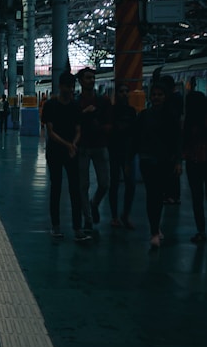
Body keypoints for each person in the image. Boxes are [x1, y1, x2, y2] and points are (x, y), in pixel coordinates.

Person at [41, 71, 91, 242]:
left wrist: (74, 144)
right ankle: (56, 226)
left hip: (71, 151)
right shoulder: (50, 105)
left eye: (72, 86)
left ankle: (78, 228)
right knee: (56, 187)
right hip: (55, 151)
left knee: (74, 189)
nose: (70, 90)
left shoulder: (76, 107)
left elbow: (78, 130)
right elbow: (50, 132)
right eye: (68, 86)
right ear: (60, 86)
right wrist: (69, 145)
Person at [131, 82, 182, 249]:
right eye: (154, 95)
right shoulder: (144, 116)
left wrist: (178, 161)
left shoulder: (171, 116)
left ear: (165, 97)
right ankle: (154, 231)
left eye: (160, 95)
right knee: (153, 194)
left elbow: (177, 140)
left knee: (157, 195)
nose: (157, 98)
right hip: (148, 160)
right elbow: (136, 138)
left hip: (164, 161)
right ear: (150, 97)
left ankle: (155, 227)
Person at [76, 67, 112, 231]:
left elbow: (108, 122)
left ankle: (94, 203)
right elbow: (74, 123)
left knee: (105, 183)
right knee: (83, 185)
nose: (91, 80)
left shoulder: (103, 101)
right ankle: (88, 219)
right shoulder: (76, 103)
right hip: (82, 146)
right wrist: (84, 113)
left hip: (100, 145)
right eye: (88, 78)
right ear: (81, 81)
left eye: (93, 77)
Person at [108, 83, 136, 229]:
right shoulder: (112, 111)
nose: (124, 94)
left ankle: (125, 214)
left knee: (130, 185)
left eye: (126, 91)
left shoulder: (131, 111)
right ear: (116, 94)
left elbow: (134, 132)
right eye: (121, 91)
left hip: (128, 152)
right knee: (114, 184)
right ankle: (114, 216)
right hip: (114, 151)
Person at [182, 91, 207, 243]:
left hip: (193, 162)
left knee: (197, 198)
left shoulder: (189, 121)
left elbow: (185, 143)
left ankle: (201, 230)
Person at [160, 74, 183, 205]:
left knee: (170, 169)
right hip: (173, 138)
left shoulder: (171, 100)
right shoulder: (178, 98)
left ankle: (170, 194)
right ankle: (173, 195)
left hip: (169, 140)